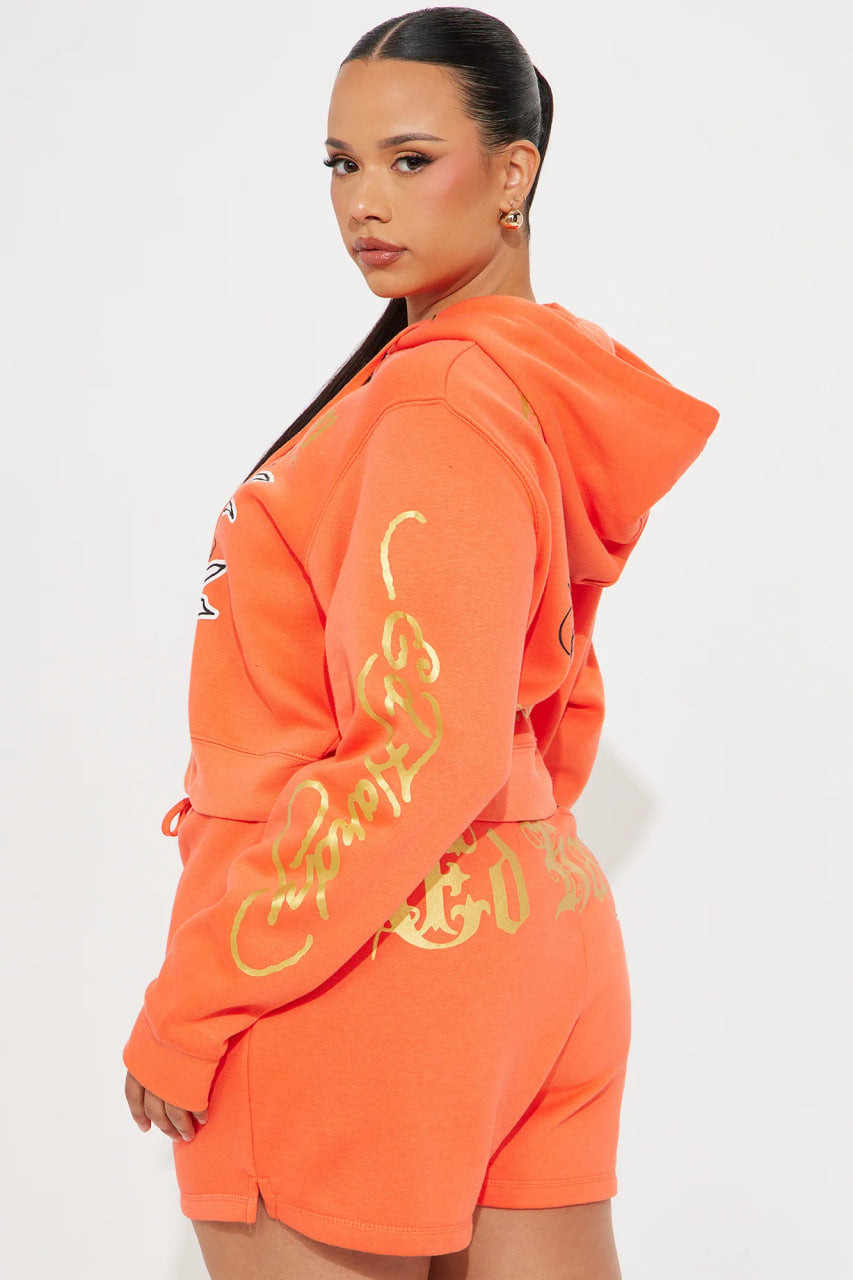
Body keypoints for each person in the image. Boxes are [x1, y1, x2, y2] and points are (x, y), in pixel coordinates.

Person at [122, 8, 720, 1278]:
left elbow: (422, 750)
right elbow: (546, 706)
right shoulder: (537, 390)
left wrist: (192, 1000)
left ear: (514, 171)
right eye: (341, 164)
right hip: (538, 929)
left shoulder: (437, 402)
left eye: (409, 159)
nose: (363, 201)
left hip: (364, 965)